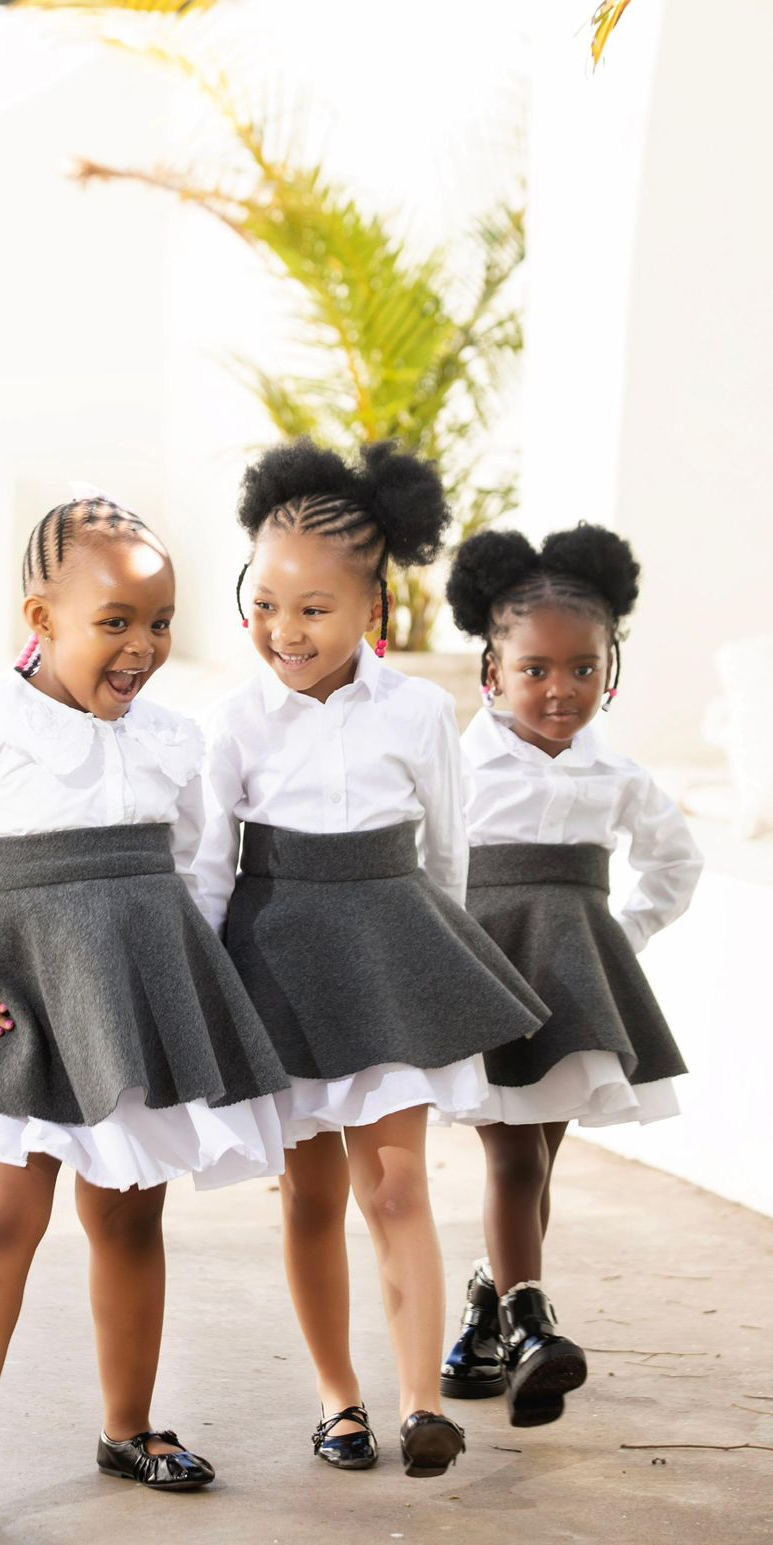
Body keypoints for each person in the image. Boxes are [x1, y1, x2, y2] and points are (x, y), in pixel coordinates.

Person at [0, 493, 290, 1510]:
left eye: (159, 622)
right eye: (114, 624)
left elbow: (199, 861)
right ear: (40, 619)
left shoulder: (173, 739)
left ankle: (130, 1427)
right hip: (16, 1003)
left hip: (130, 1006)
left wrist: (190, 978)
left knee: (129, 1219)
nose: (141, 648)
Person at [193, 439, 548, 1478]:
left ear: (372, 616)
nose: (282, 629)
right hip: (279, 961)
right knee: (308, 1196)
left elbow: (447, 850)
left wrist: (441, 972)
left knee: (394, 1183)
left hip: (390, 955)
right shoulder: (234, 720)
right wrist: (213, 997)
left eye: (312, 608)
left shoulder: (417, 711)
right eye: (265, 603)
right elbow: (212, 868)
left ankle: (421, 1402)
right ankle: (337, 1401)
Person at [439, 525, 702, 1426]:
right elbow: (425, 869)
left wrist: (614, 942)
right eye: (537, 670)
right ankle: (531, 1329)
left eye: (583, 669)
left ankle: (485, 1310)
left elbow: (676, 865)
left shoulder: (615, 772)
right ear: (492, 672)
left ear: (609, 668)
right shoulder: (458, 766)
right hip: (487, 980)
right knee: (513, 1160)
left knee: (540, 1163)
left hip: (574, 988)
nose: (561, 690)